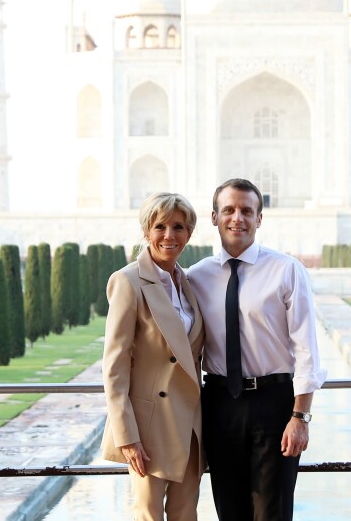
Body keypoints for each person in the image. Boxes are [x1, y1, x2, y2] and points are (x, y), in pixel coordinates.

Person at [188, 178, 327, 521]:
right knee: (229, 510)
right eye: (229, 210)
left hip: (275, 404)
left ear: (259, 219)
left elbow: (306, 349)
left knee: (272, 512)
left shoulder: (286, 270)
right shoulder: (195, 276)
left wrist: (300, 417)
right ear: (214, 217)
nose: (238, 218)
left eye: (247, 211)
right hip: (220, 404)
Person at [100, 192, 206, 521]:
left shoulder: (188, 282)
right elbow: (114, 369)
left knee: (186, 513)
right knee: (147, 514)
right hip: (148, 426)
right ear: (146, 231)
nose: (169, 236)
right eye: (160, 226)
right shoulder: (128, 281)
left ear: (189, 233)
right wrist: (127, 437)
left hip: (190, 422)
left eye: (179, 227)